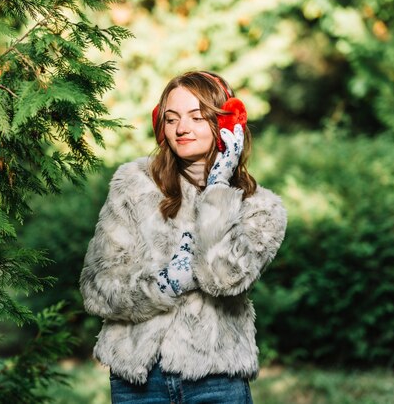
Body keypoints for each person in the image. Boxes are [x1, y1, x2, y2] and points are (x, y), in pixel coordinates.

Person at [79, 71, 287, 403]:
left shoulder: (260, 208)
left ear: (226, 124)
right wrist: (167, 284)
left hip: (217, 382)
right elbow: (98, 290)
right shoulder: (134, 185)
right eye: (171, 118)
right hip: (139, 385)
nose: (181, 128)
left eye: (196, 116)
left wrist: (218, 186)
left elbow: (222, 278)